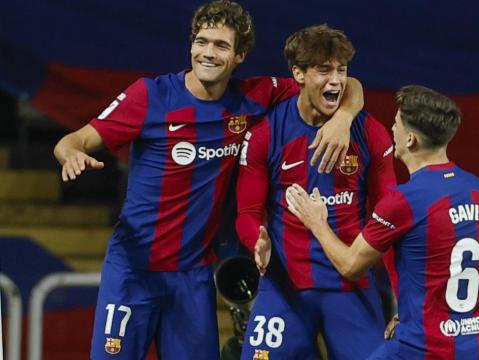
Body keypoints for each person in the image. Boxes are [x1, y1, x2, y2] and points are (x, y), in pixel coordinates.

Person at [52, 1, 364, 358]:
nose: (208, 53)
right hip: (132, 271)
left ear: (240, 55)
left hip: (194, 276)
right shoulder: (150, 96)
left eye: (221, 46)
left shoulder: (253, 97)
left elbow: (346, 83)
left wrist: (343, 119)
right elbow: (71, 140)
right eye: (201, 42)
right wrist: (70, 154)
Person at [286, 85, 479, 359]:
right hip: (477, 348)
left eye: (395, 123)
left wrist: (316, 222)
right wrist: (410, 316)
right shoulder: (477, 189)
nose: (391, 129)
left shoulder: (404, 200)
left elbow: (351, 266)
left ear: (410, 140)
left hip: (423, 349)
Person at [235, 24, 397, 360]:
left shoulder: (370, 133)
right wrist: (257, 239)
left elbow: (390, 219)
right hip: (285, 288)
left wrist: (403, 299)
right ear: (298, 74)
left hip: (351, 289)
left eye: (342, 70)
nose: (336, 80)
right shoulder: (266, 134)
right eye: (324, 70)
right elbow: (246, 214)